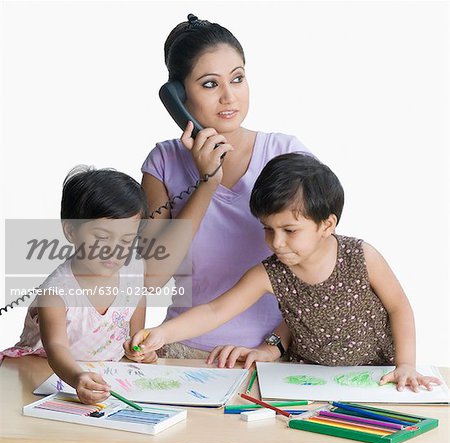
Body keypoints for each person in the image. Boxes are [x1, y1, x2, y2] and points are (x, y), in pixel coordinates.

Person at [131, 153, 442, 392]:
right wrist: (162, 334)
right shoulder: (270, 273)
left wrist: (406, 365)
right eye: (268, 229)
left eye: (290, 230)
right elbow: (215, 310)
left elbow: (399, 307)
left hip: (376, 373)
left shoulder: (361, 256)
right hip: (308, 376)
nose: (276, 243)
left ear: (327, 225)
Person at [141, 13, 311, 359]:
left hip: (275, 353)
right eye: (209, 84)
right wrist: (206, 183)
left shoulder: (287, 153)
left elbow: (321, 268)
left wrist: (274, 346)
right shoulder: (162, 163)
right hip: (183, 349)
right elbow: (151, 279)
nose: (229, 97)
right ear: (177, 95)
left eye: (237, 79)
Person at [0, 166, 158, 404]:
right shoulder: (57, 293)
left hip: (103, 372)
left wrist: (138, 345)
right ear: (71, 231)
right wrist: (77, 378)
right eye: (102, 237)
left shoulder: (134, 267)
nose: (114, 249)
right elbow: (56, 347)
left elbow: (136, 298)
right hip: (45, 372)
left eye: (127, 240)